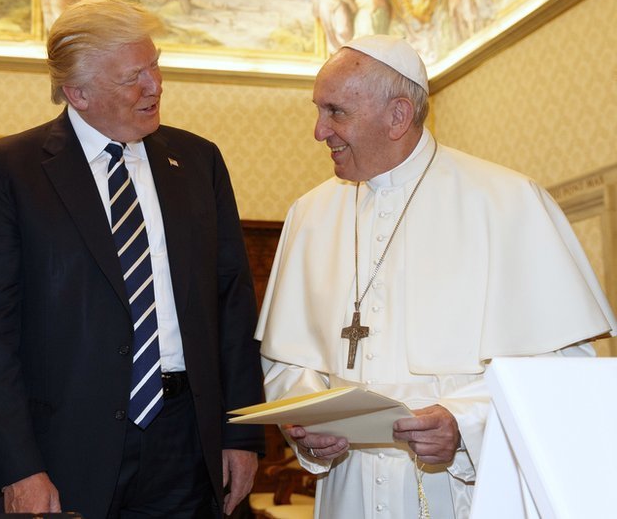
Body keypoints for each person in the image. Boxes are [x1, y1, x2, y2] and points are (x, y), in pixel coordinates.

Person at [256, 34, 617, 518]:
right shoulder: (310, 214)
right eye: (319, 111)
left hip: (463, 491)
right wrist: (307, 422)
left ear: (398, 115)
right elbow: (287, 360)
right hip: (348, 491)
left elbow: (562, 370)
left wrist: (464, 424)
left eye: (335, 112)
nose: (319, 131)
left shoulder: (505, 201)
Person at [0, 0, 264, 518]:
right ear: (78, 92)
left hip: (186, 443)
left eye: (155, 65)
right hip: (62, 448)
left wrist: (242, 432)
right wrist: (18, 467)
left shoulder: (198, 161)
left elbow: (232, 303)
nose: (155, 85)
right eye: (132, 77)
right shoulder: (10, 171)